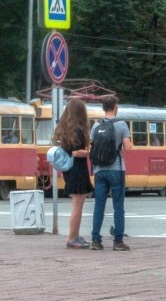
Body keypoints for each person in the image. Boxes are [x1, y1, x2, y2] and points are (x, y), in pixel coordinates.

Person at [90, 95, 133, 251]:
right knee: (118, 206)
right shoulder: (121, 125)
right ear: (115, 107)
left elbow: (92, 148)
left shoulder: (96, 126)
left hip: (99, 171)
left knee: (98, 206)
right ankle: (118, 241)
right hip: (116, 170)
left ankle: (95, 240)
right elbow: (128, 148)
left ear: (103, 107)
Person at [53, 98, 93, 249]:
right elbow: (76, 152)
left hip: (69, 169)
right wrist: (89, 151)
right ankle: (72, 238)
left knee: (76, 204)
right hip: (77, 168)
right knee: (78, 205)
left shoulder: (63, 128)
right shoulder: (78, 129)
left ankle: (75, 235)